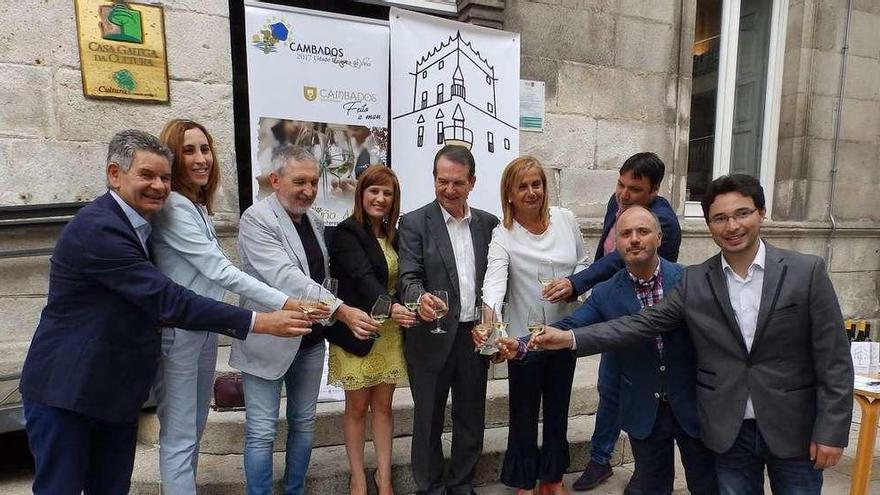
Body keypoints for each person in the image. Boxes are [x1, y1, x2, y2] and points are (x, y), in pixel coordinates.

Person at [18, 129, 310, 495]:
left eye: (165, 177)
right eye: (147, 175)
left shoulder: (144, 222)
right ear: (114, 174)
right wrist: (259, 320)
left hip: (116, 392)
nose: (159, 186)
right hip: (68, 389)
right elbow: (168, 298)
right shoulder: (99, 228)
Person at [533, 175, 854, 495]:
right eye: (719, 218)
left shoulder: (806, 271)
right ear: (709, 225)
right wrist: (567, 338)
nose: (732, 226)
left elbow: (834, 359)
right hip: (730, 433)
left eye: (742, 213)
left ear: (762, 212)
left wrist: (831, 430)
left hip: (793, 430)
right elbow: (641, 324)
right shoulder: (698, 280)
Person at [506, 206, 717, 494]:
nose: (634, 239)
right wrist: (519, 345)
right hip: (644, 410)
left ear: (659, 236)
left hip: (693, 405)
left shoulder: (689, 279)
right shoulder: (606, 292)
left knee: (708, 486)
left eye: (642, 232)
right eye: (626, 234)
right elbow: (571, 324)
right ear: (615, 244)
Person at [150, 119, 303, 494]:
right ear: (171, 157)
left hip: (201, 331)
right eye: (189, 151)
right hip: (179, 333)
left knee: (194, 429)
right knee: (180, 435)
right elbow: (220, 271)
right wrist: (284, 301)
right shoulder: (173, 206)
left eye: (205, 149)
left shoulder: (195, 206)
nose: (201, 159)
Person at [230, 145, 379, 495]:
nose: (309, 191)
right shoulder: (257, 219)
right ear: (275, 180)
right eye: (300, 182)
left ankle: (295, 490)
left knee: (304, 424)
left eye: (313, 182)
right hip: (268, 342)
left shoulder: (312, 219)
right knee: (262, 431)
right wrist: (341, 310)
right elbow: (287, 277)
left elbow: (322, 275)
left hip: (310, 342)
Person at [547, 152, 682, 491]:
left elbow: (617, 262)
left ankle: (644, 467)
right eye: (620, 184)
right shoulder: (617, 200)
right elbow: (607, 251)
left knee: (645, 400)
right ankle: (600, 459)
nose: (623, 194)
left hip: (648, 329)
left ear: (654, 191)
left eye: (634, 189)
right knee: (609, 389)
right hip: (614, 310)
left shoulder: (662, 222)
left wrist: (578, 283)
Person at [478, 156, 586, 495]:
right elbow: (494, 284)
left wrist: (573, 283)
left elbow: (584, 263)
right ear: (509, 193)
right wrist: (492, 327)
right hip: (524, 340)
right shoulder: (504, 234)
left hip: (565, 332)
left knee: (559, 410)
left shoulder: (566, 219)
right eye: (522, 186)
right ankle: (524, 482)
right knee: (523, 414)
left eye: (536, 184)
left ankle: (552, 479)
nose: (531, 192)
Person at [397, 144, 499, 495]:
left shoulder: (489, 224)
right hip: (431, 336)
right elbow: (408, 279)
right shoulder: (413, 222)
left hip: (474, 336)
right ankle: (430, 487)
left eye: (458, 182)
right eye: (443, 181)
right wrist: (418, 299)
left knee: (471, 418)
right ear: (434, 179)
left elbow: (498, 280)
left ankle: (461, 484)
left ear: (472, 182)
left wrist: (495, 332)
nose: (449, 190)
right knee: (428, 420)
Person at [327, 165, 418, 495]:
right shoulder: (346, 232)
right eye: (373, 191)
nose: (380, 198)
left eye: (387, 193)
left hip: (391, 335)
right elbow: (363, 277)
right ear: (361, 194)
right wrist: (393, 307)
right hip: (358, 331)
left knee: (384, 407)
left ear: (394, 200)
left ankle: (384, 478)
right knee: (356, 408)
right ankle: (358, 478)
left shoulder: (395, 236)